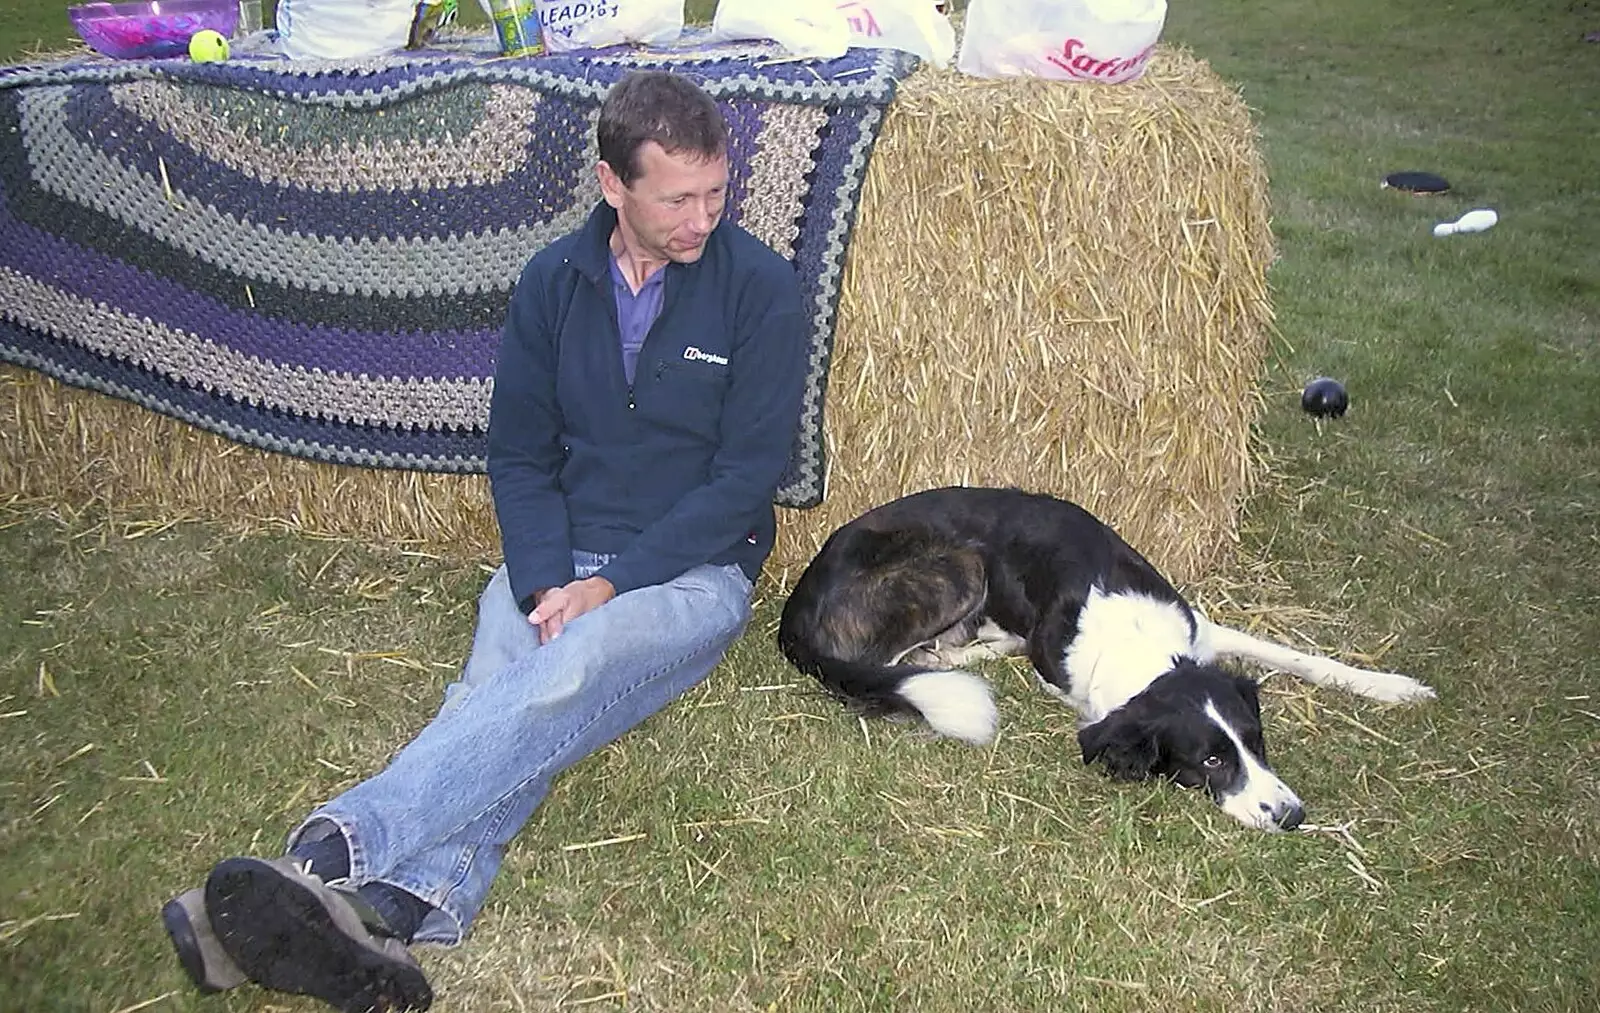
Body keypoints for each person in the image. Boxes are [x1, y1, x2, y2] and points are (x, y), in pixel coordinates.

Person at [158, 69, 807, 1013]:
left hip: (691, 572)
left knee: (568, 674)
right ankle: (404, 905)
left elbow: (744, 479)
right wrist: (547, 578)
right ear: (610, 185)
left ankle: (327, 850)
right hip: (559, 555)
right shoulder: (551, 283)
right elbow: (519, 456)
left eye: (716, 193)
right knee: (497, 692)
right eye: (677, 199)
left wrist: (608, 587)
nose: (702, 219)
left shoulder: (760, 289)